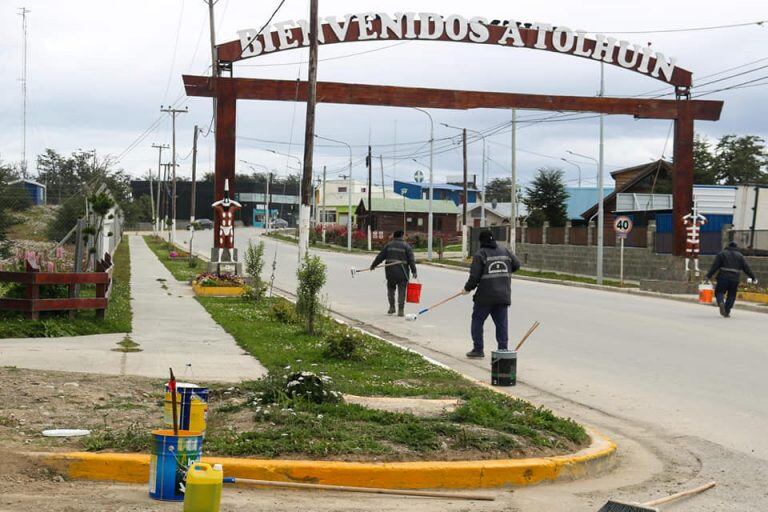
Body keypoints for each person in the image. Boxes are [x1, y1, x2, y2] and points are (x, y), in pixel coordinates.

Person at [462, 230, 521, 358]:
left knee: (477, 320)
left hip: (485, 297)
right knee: (501, 324)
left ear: (481, 242)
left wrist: (467, 288)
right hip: (503, 296)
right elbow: (517, 264)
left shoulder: (480, 254)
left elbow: (474, 277)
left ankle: (478, 349)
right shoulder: (505, 251)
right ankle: (503, 351)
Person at [705, 240, 758, 318]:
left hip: (723, 277)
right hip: (735, 279)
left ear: (728, 246)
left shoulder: (722, 254)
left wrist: (708, 276)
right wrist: (753, 277)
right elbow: (747, 268)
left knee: (719, 292)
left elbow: (714, 266)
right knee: (732, 295)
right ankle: (726, 311)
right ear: (736, 247)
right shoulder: (740, 256)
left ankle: (721, 302)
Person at [370, 230, 417, 317]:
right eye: (405, 235)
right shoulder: (407, 246)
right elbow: (411, 260)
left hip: (390, 273)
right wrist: (414, 271)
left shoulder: (389, 245)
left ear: (394, 236)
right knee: (402, 291)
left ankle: (392, 308)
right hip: (403, 273)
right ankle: (401, 310)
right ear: (402, 236)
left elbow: (380, 257)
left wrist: (373, 265)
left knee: (391, 290)